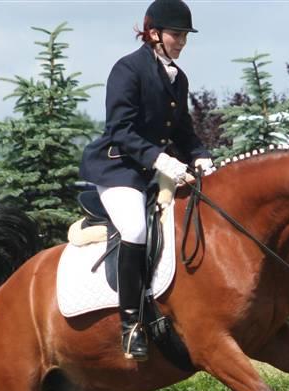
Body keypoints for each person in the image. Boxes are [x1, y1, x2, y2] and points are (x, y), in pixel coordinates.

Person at [80, 0, 213, 362]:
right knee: (136, 230)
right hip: (119, 169)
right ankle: (130, 325)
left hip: (156, 171)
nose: (181, 41)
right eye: (176, 34)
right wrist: (161, 159)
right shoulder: (127, 69)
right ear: (154, 33)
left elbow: (183, 130)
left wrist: (200, 154)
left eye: (185, 35)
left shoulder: (177, 77)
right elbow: (120, 130)